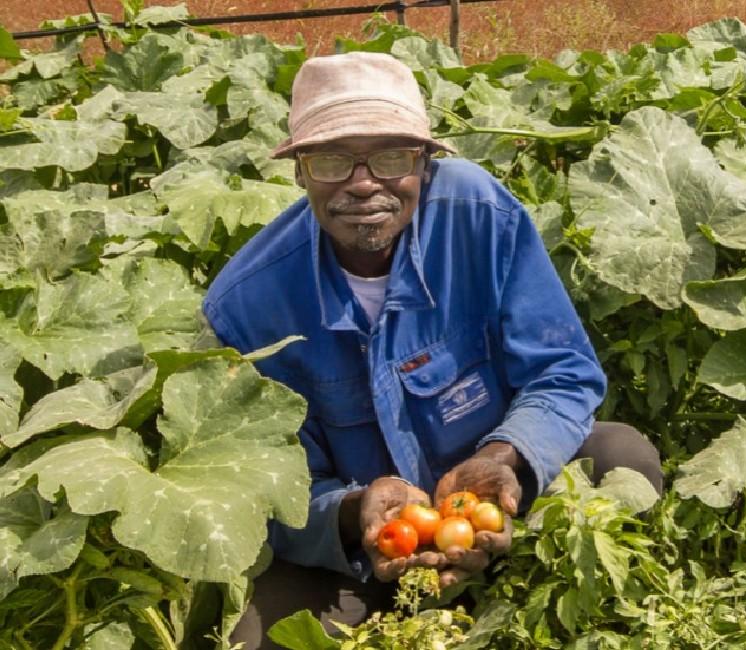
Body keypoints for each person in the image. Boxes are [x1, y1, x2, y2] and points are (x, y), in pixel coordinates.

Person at [202, 51, 663, 648]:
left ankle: (538, 587)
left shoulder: (480, 215)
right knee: (256, 639)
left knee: (624, 457)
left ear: (424, 163)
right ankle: (404, 599)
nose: (363, 183)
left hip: (500, 497)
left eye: (392, 156)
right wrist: (354, 512)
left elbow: (564, 373)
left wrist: (504, 458)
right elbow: (268, 489)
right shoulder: (248, 304)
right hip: (363, 549)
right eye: (331, 160)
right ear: (299, 171)